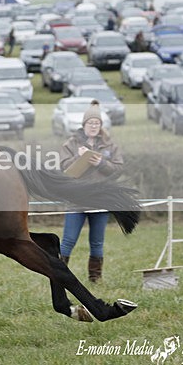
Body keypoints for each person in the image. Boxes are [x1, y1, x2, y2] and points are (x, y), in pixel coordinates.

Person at [58, 100, 124, 283]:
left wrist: (100, 163)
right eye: (90, 123)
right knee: (68, 241)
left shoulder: (110, 146)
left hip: (100, 201)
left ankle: (95, 278)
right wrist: (79, 158)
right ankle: (59, 276)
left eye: (97, 123)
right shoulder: (71, 144)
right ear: (84, 125)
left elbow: (118, 170)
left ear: (101, 125)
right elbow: (64, 168)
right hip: (76, 201)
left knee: (97, 243)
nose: (93, 126)